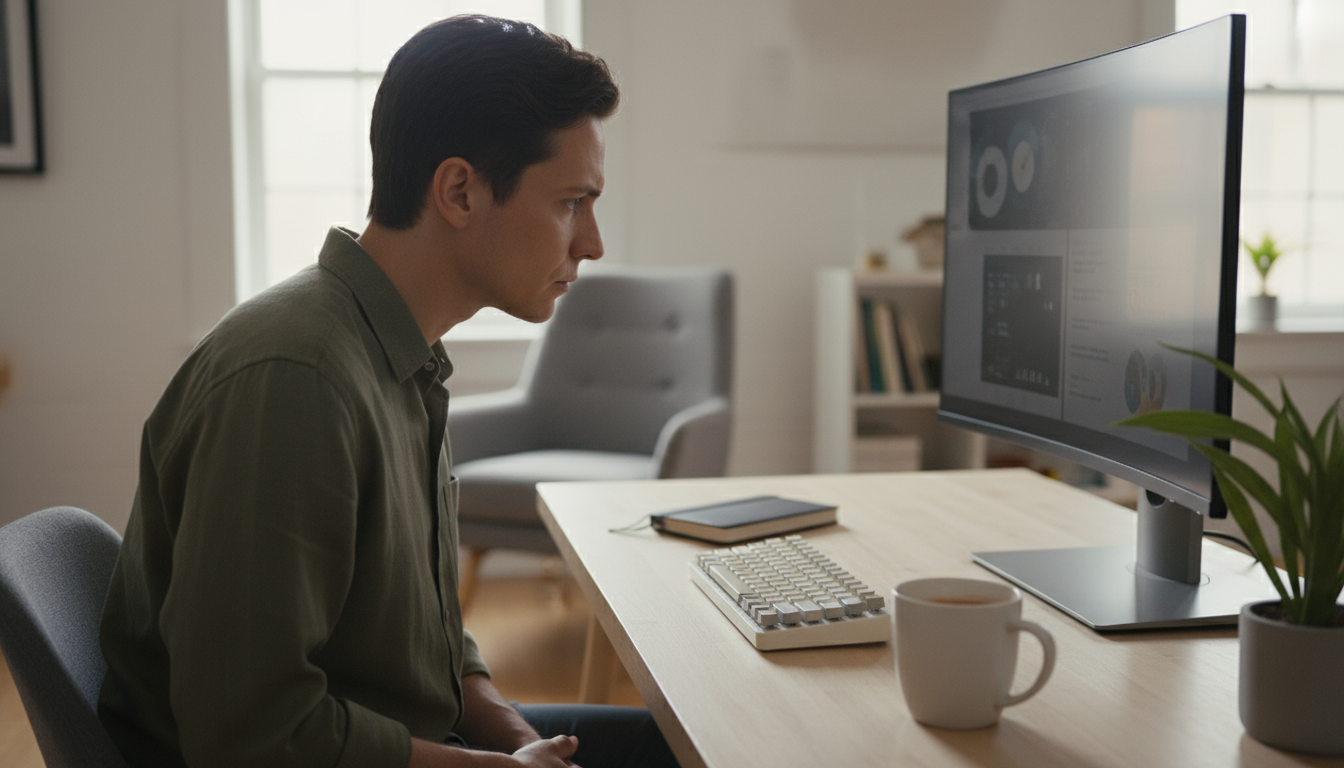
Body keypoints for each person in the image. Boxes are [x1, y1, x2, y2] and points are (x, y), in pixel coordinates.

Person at [98, 15, 677, 768]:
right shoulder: (295, 381)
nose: (592, 243)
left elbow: (421, 630)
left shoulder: (400, 353)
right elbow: (249, 737)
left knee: (671, 747)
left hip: (403, 730)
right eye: (572, 202)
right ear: (460, 190)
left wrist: (514, 734)